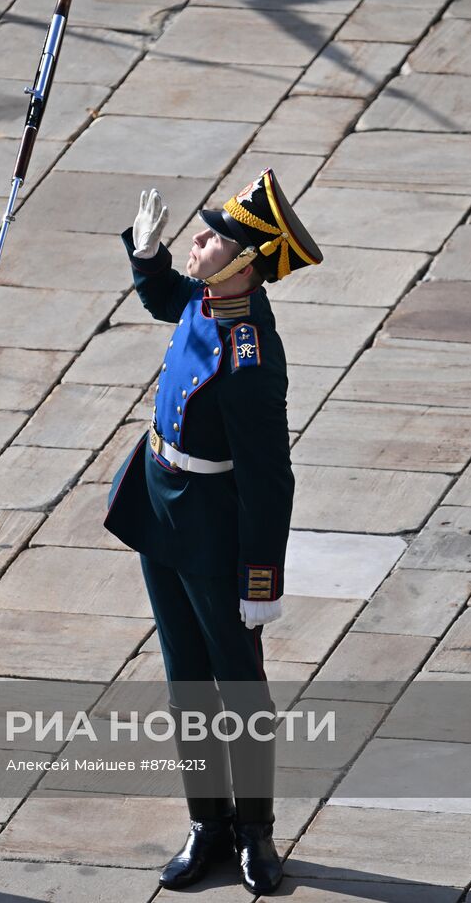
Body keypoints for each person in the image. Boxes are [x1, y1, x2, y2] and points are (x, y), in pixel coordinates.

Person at [103, 169, 323, 895]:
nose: (198, 242)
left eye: (213, 238)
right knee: (185, 680)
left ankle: (254, 833)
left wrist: (260, 582)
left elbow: (269, 482)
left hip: (214, 534)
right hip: (160, 501)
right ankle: (208, 825)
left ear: (245, 265)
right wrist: (146, 257)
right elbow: (169, 299)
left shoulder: (252, 361)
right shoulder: (207, 297)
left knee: (238, 687)